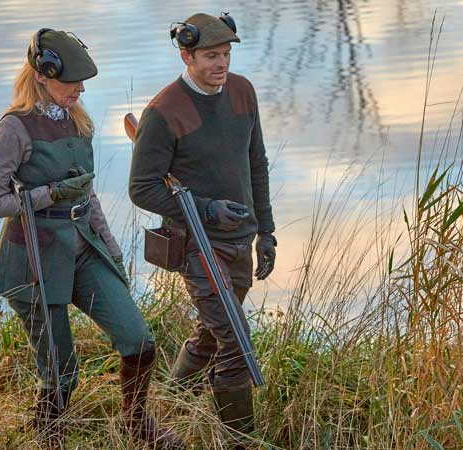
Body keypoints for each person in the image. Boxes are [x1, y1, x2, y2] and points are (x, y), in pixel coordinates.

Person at [0, 28, 185, 449]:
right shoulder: (13, 129)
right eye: (69, 81)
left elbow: (88, 193)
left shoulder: (78, 120)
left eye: (81, 81)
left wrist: (110, 247)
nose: (78, 89)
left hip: (82, 246)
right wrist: (48, 194)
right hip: (33, 257)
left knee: (139, 342)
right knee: (60, 372)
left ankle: (137, 423)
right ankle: (49, 436)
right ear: (43, 74)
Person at [129, 12, 277, 448]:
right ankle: (240, 441)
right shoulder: (163, 112)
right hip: (197, 246)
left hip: (240, 242)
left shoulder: (242, 92)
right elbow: (141, 188)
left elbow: (257, 163)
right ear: (186, 54)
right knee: (235, 342)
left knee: (213, 332)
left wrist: (265, 230)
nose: (222, 63)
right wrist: (206, 209)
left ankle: (176, 398)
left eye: (226, 54)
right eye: (211, 55)